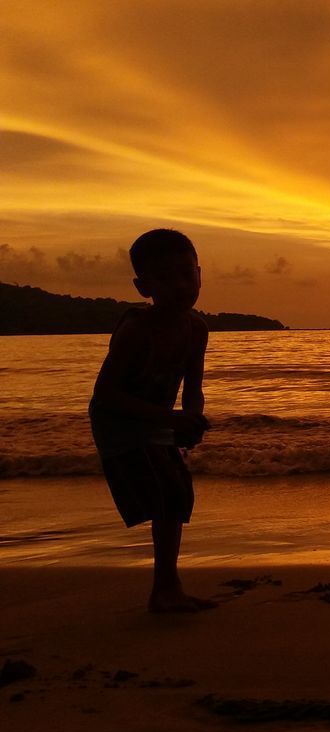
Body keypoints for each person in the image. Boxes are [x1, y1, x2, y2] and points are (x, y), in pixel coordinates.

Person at [88, 228, 213, 613]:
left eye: (186, 273)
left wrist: (192, 418)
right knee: (164, 494)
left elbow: (193, 384)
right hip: (119, 423)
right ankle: (165, 589)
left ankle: (166, 586)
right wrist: (170, 419)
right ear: (144, 286)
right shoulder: (136, 331)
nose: (180, 285)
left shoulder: (196, 328)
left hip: (159, 420)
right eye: (166, 277)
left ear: (199, 274)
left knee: (176, 494)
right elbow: (106, 395)